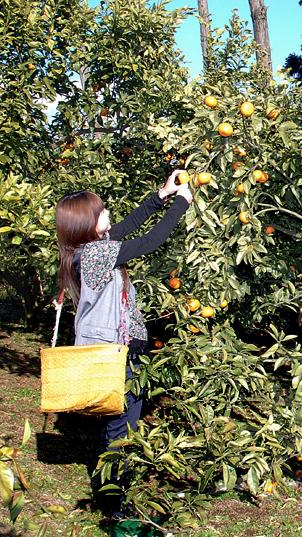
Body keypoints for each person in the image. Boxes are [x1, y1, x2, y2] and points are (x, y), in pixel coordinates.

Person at [54, 170, 192, 518]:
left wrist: (160, 196)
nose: (107, 213)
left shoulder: (90, 249)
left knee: (122, 422)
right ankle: (115, 504)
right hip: (115, 353)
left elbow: (127, 228)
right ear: (87, 222)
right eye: (101, 211)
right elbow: (147, 242)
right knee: (119, 427)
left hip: (122, 348)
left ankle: (115, 494)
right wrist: (181, 204)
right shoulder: (94, 255)